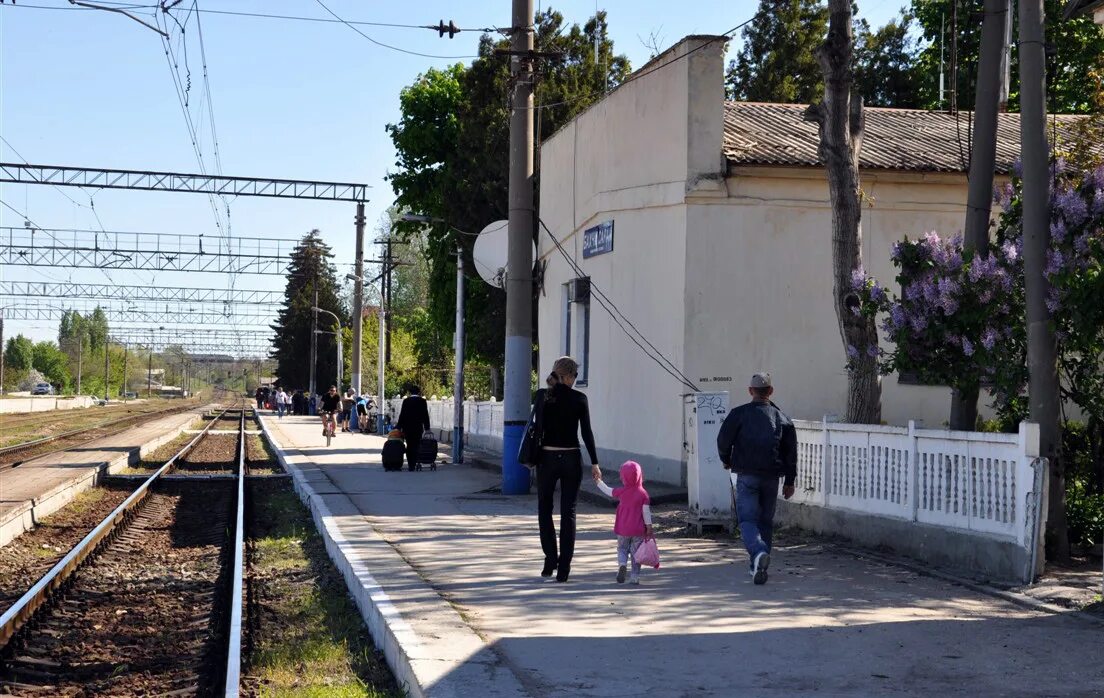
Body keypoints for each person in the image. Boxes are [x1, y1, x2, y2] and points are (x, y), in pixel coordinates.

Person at [716, 372, 797, 586]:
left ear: (750, 391)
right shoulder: (782, 418)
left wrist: (726, 459)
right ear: (770, 391)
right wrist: (790, 481)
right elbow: (791, 453)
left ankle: (759, 552)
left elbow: (723, 440)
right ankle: (757, 565)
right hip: (772, 477)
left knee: (748, 520)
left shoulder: (738, 414)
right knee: (765, 522)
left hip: (747, 475)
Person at [535, 356, 600, 583]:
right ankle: (564, 569)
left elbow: (538, 428)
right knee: (568, 513)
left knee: (544, 508)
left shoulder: (543, 396)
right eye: (575, 376)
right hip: (571, 458)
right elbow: (587, 433)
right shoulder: (580, 399)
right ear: (570, 376)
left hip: (547, 458)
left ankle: (550, 558)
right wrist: (595, 462)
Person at [593, 461, 653, 585]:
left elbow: (608, 491)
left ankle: (622, 564)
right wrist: (649, 527)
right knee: (637, 554)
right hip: (638, 530)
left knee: (622, 549)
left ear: (623, 477)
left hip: (623, 529)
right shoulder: (643, 494)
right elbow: (646, 513)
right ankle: (635, 577)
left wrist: (599, 482)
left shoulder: (621, 492)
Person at [396, 384, 430, 471]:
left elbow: (402, 414)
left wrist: (399, 426)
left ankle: (410, 465)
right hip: (418, 427)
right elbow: (425, 415)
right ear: (418, 392)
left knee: (409, 445)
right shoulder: (422, 401)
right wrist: (427, 428)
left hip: (407, 428)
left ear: (410, 392)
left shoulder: (406, 401)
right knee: (416, 445)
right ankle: (414, 463)